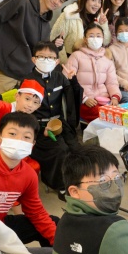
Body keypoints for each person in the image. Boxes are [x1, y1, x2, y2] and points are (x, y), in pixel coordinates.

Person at [0, 112, 59, 247]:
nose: (19, 140)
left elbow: (36, 213)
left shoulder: (28, 175)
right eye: (12, 134)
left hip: (0, 224)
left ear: (32, 144)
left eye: (26, 137)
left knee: (54, 224)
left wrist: (60, 244)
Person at [0, 0, 70, 97]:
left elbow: (38, 49)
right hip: (5, 71)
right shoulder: (20, 2)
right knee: (2, 107)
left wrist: (54, 45)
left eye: (61, 1)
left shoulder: (45, 24)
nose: (56, 1)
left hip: (26, 75)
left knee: (21, 108)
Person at [26, 41, 81, 196]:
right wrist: (37, 129)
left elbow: (72, 97)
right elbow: (22, 111)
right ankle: (61, 186)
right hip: (38, 129)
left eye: (50, 57)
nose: (46, 60)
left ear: (57, 61)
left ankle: (75, 181)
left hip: (60, 124)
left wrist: (72, 80)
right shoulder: (28, 80)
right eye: (41, 57)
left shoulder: (59, 77)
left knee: (77, 149)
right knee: (61, 151)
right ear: (34, 59)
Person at [65, 22, 121, 122]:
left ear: (103, 38)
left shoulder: (107, 60)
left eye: (98, 36)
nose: (95, 39)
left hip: (104, 100)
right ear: (85, 39)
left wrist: (115, 97)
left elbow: (112, 82)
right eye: (91, 36)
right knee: (106, 116)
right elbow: (67, 81)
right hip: (83, 101)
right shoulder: (76, 56)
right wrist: (84, 98)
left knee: (119, 114)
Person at [51, 0, 111, 64]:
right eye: (93, 0)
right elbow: (54, 40)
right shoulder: (69, 15)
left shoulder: (99, 17)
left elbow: (106, 42)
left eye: (99, 2)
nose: (97, 4)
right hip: (72, 61)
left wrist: (102, 25)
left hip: (93, 61)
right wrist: (66, 63)